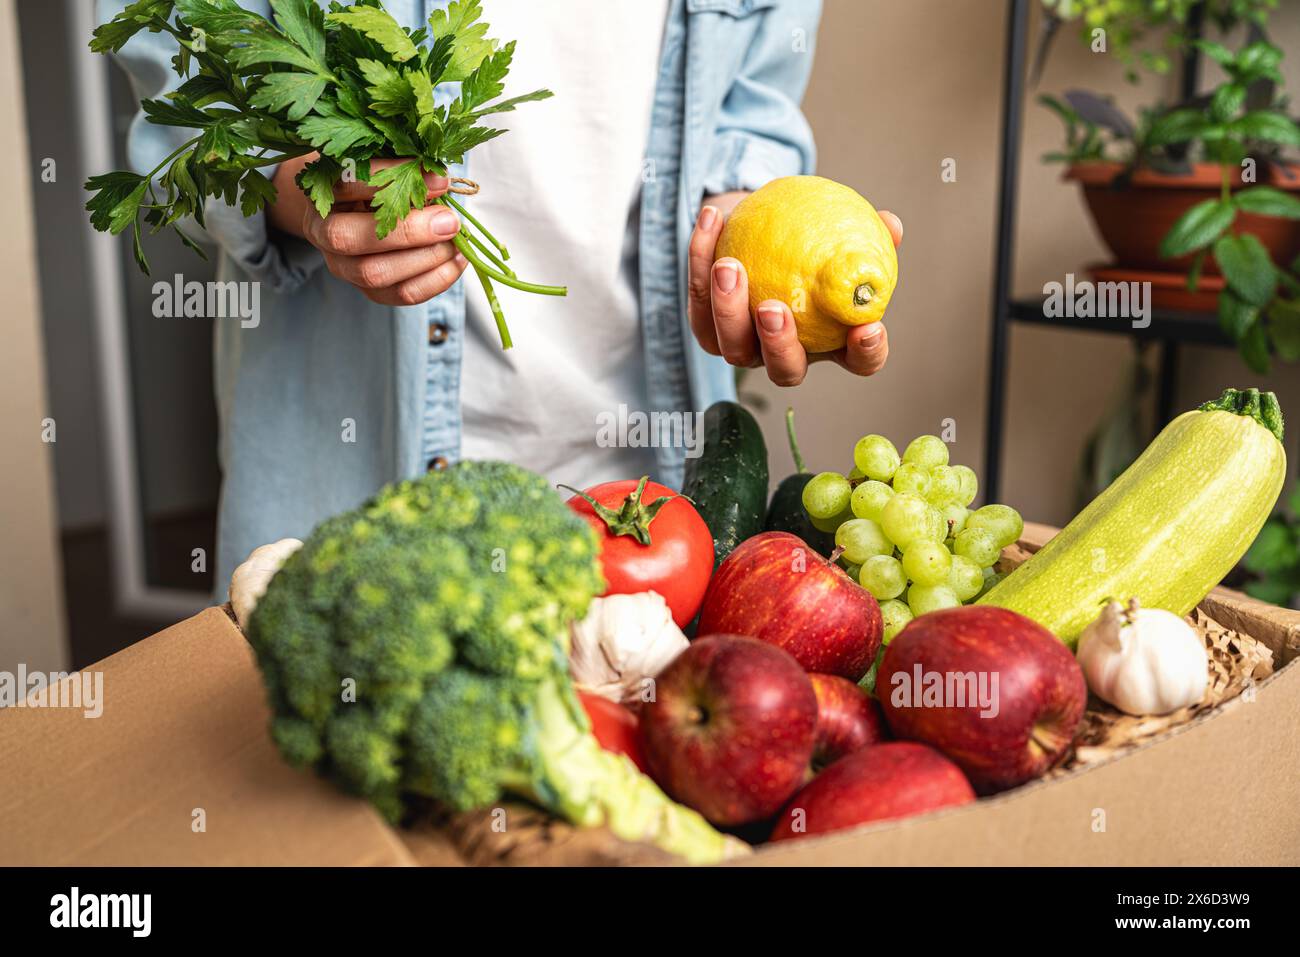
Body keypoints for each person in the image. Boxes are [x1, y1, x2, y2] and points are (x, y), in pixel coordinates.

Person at [103, 0, 901, 591]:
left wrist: (735, 225)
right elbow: (179, 45)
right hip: (351, 476)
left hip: (647, 505)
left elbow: (752, 102)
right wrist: (299, 189)